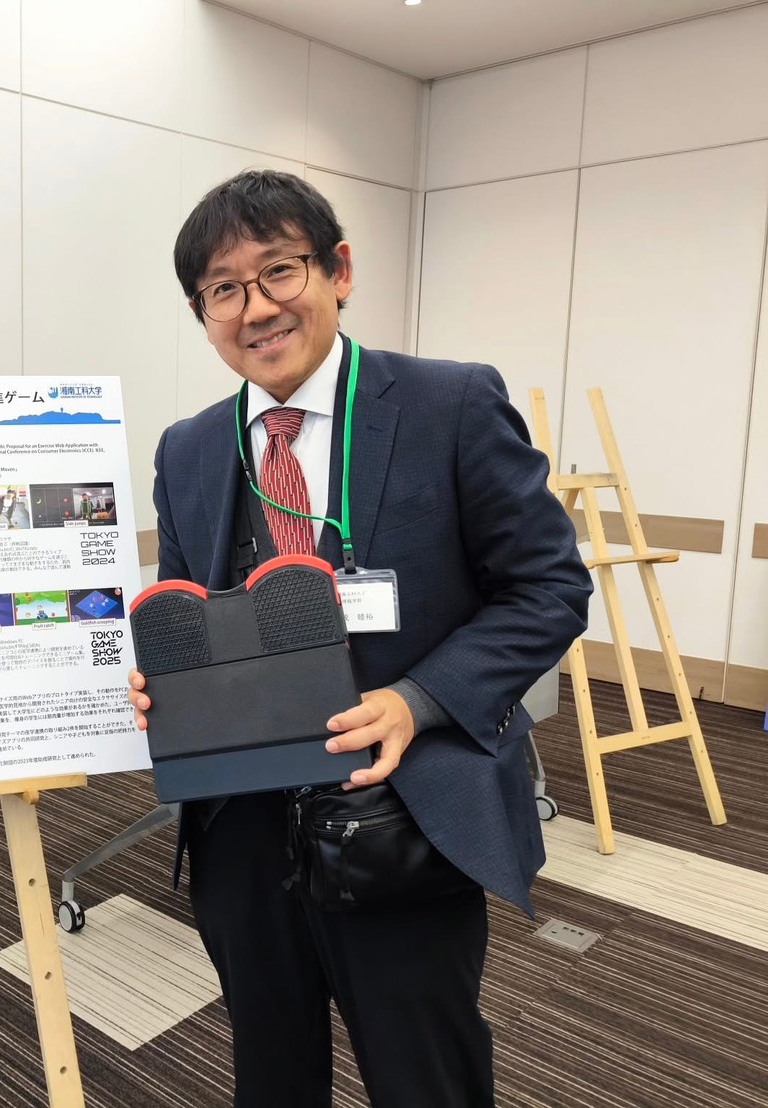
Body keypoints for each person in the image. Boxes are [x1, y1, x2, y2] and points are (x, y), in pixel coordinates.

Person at [125, 170, 592, 1107]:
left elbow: (548, 587)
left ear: (337, 271)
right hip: (240, 825)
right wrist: (162, 681)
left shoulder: (448, 405)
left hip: (402, 812)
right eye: (223, 289)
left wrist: (416, 701)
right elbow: (190, 608)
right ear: (201, 314)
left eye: (279, 270)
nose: (256, 308)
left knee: (424, 1073)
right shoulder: (189, 448)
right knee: (270, 1068)